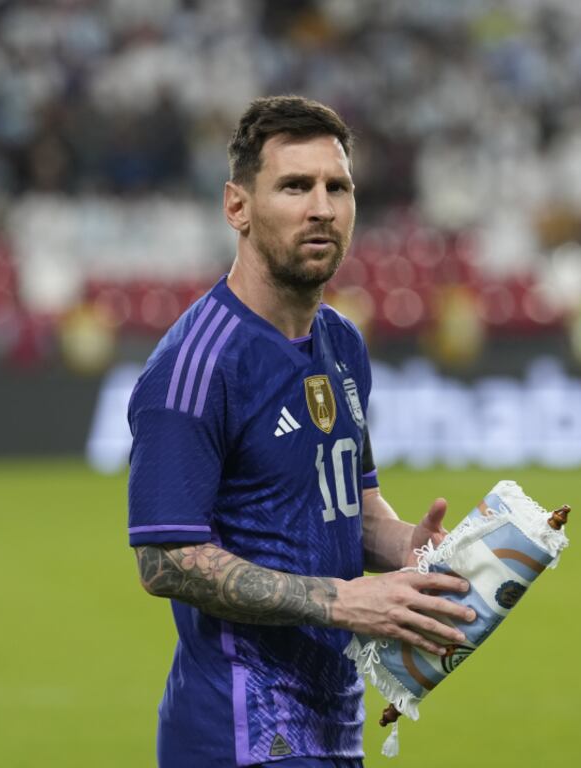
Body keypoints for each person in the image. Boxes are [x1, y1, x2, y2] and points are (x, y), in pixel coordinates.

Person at [125, 95, 476, 768]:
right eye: (294, 186)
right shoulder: (196, 365)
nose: (321, 207)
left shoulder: (342, 343)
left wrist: (413, 552)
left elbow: (352, 506)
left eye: (336, 187)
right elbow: (163, 560)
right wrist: (343, 601)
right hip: (238, 733)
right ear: (237, 207)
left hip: (333, 727)